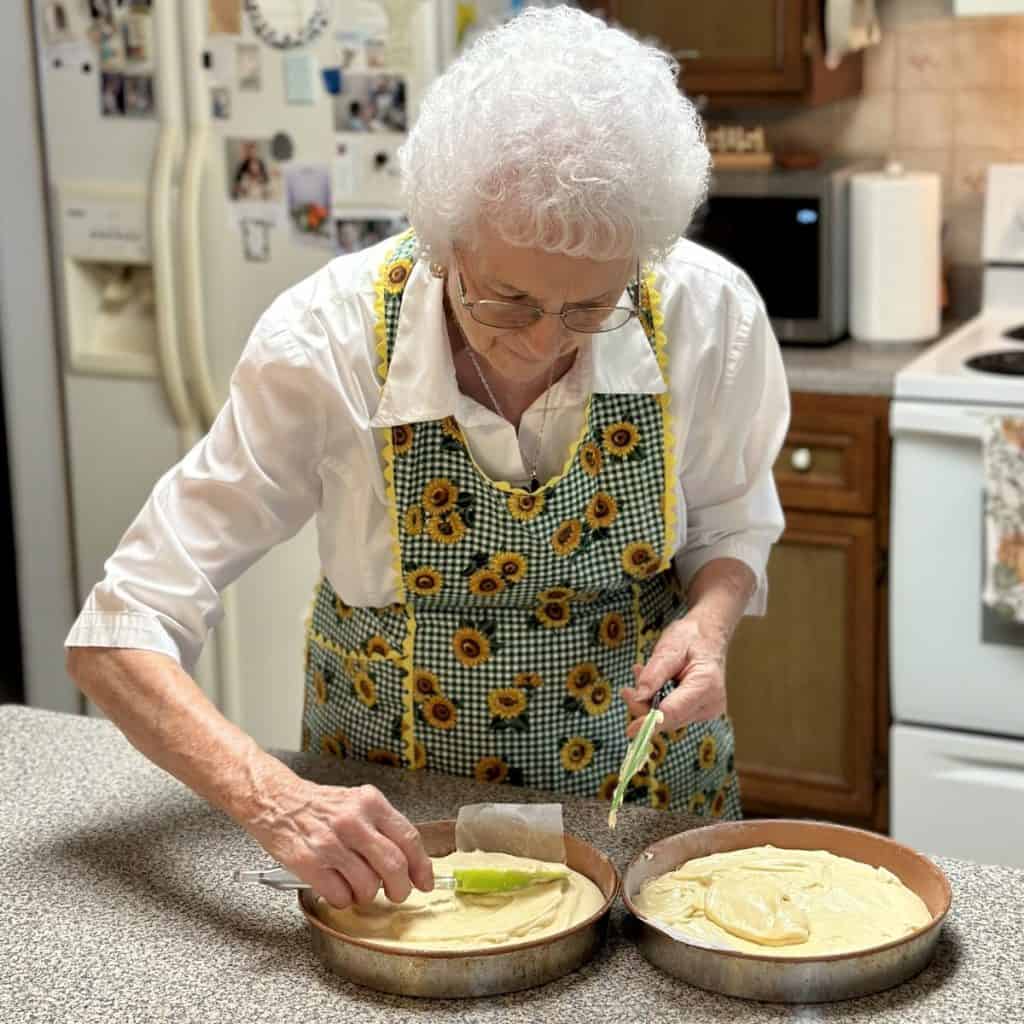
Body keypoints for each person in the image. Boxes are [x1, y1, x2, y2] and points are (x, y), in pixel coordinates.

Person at [66, 6, 789, 910]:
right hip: (401, 844)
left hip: (644, 812)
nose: (542, 344)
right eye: (508, 301)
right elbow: (118, 631)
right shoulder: (324, 342)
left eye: (588, 309)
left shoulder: (703, 313)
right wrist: (280, 804)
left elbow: (731, 519)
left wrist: (710, 626)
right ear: (444, 243)